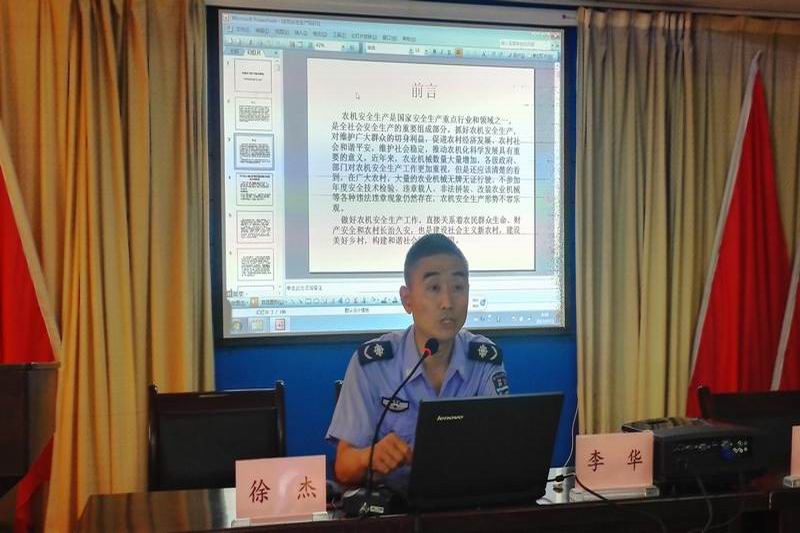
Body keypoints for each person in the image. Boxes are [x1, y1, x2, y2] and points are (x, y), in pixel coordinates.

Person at [326, 233, 510, 493]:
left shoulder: (484, 360)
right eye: (434, 288)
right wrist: (371, 456)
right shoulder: (373, 364)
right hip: (394, 508)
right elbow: (343, 466)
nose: (447, 302)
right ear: (407, 299)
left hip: (466, 502)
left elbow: (501, 451)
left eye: (458, 288)